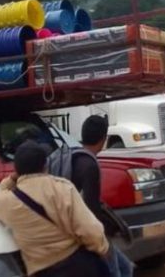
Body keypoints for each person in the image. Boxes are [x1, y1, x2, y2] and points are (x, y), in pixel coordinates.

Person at [0, 141, 110, 277]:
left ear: (17, 169)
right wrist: (102, 250)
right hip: (77, 265)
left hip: (42, 271)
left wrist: (11, 178)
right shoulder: (62, 188)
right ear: (45, 165)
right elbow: (90, 229)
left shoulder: (6, 202)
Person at [48, 115, 134, 277]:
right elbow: (91, 208)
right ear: (103, 139)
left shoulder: (69, 155)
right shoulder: (89, 165)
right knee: (116, 270)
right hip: (84, 232)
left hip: (62, 227)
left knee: (125, 267)